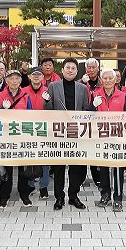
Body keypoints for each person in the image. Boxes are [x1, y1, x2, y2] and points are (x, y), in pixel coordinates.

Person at [43, 57, 92, 210]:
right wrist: (46, 101)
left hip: (76, 133)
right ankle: (59, 197)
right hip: (58, 133)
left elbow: (85, 111)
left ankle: (73, 195)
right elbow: (48, 111)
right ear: (62, 70)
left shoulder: (83, 88)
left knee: (75, 167)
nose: (70, 70)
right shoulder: (53, 86)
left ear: (77, 71)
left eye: (73, 68)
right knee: (58, 167)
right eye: (67, 67)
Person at [91, 68, 126, 212]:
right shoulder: (95, 95)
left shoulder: (124, 96)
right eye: (105, 78)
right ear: (101, 80)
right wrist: (92, 106)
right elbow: (86, 116)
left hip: (118, 138)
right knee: (103, 168)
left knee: (117, 169)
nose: (108, 80)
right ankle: (105, 195)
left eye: (111, 78)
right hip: (101, 137)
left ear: (116, 80)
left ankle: (118, 198)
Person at [0, 69, 34, 207]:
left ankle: (24, 195)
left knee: (23, 168)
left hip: (22, 136)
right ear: (6, 81)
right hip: (6, 136)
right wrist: (2, 111)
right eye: (11, 79)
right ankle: (4, 197)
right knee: (7, 168)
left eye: (17, 79)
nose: (14, 81)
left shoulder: (26, 95)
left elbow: (30, 115)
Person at [22, 67, 52, 200]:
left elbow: (54, 110)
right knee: (29, 158)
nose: (36, 77)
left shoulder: (48, 91)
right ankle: (30, 185)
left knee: (44, 159)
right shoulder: (23, 92)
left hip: (44, 129)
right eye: (33, 74)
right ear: (29, 76)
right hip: (27, 129)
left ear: (42, 77)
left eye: (39, 75)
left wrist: (48, 101)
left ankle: (43, 186)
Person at [81, 58, 102, 186]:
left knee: (96, 151)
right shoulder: (80, 83)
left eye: (93, 67)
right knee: (83, 151)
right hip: (83, 123)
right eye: (88, 67)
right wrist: (83, 84)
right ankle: (81, 177)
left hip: (98, 123)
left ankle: (98, 178)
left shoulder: (103, 82)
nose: (91, 70)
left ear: (98, 69)